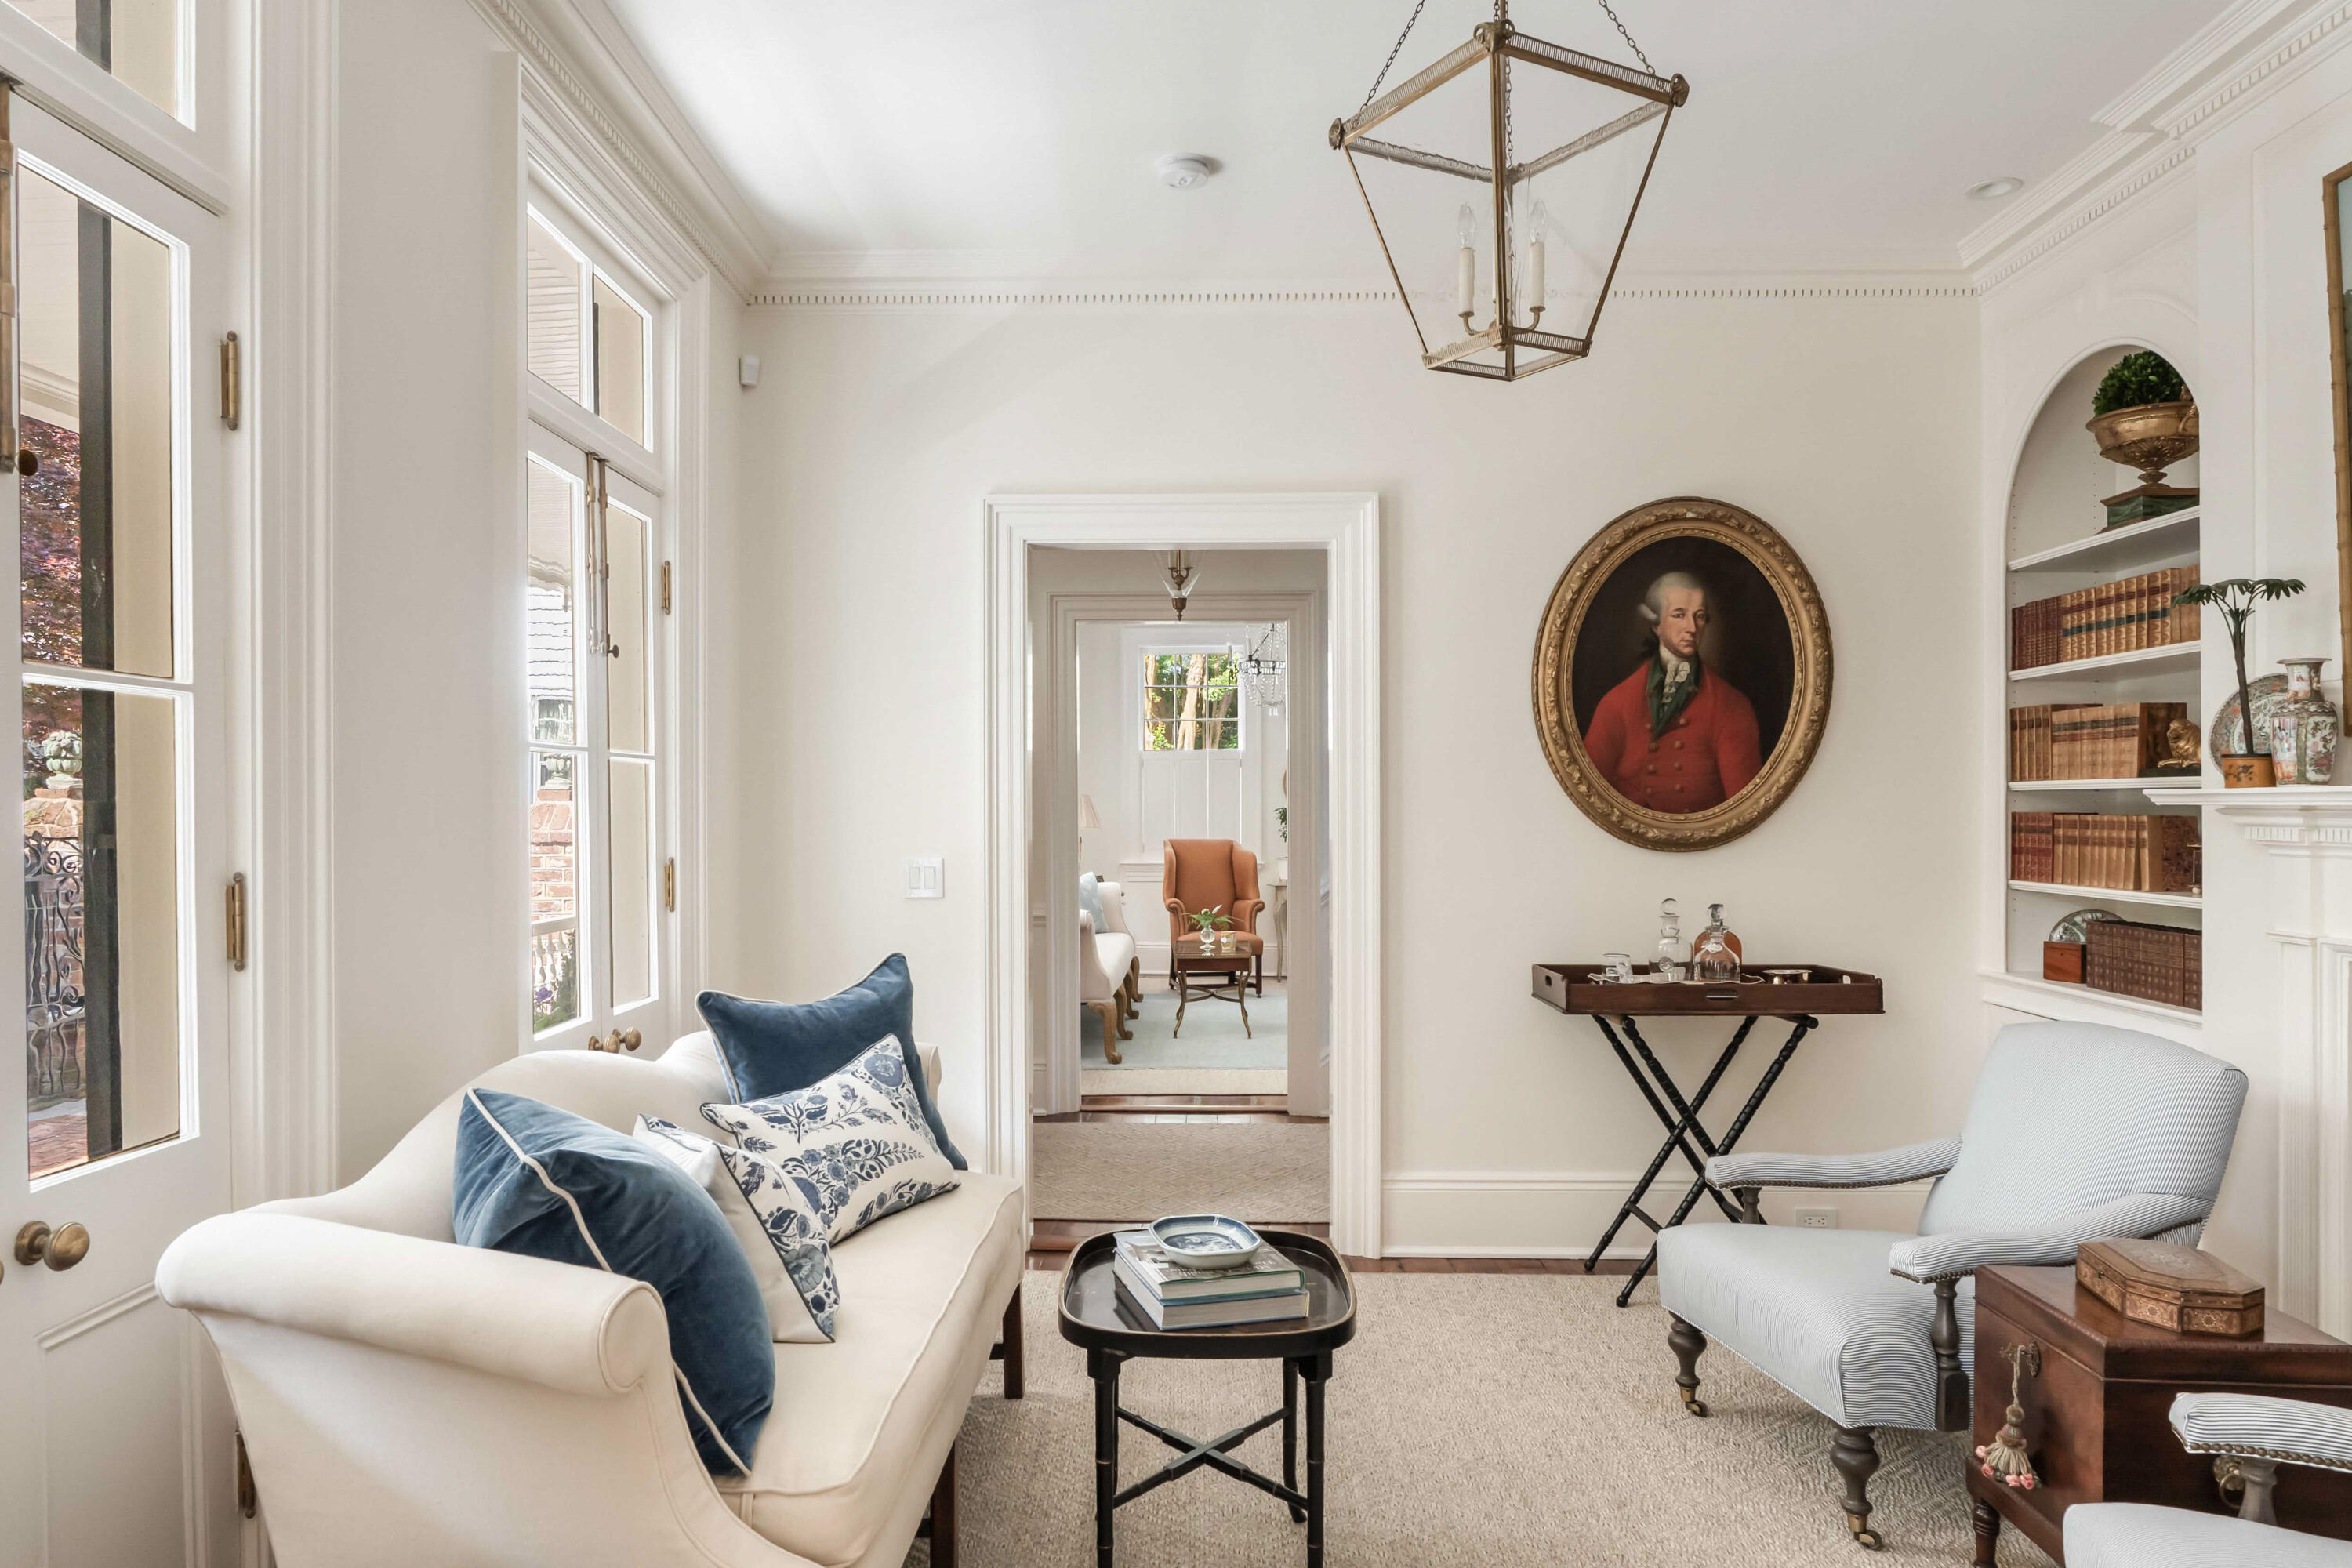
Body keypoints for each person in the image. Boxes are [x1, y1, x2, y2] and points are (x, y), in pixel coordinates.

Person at [1581, 570, 1762, 812]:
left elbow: (1745, 809)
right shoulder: (1617, 702)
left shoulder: (1731, 705)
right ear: (1656, 625)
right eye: (1679, 615)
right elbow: (1587, 791)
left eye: (1699, 616)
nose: (1692, 627)